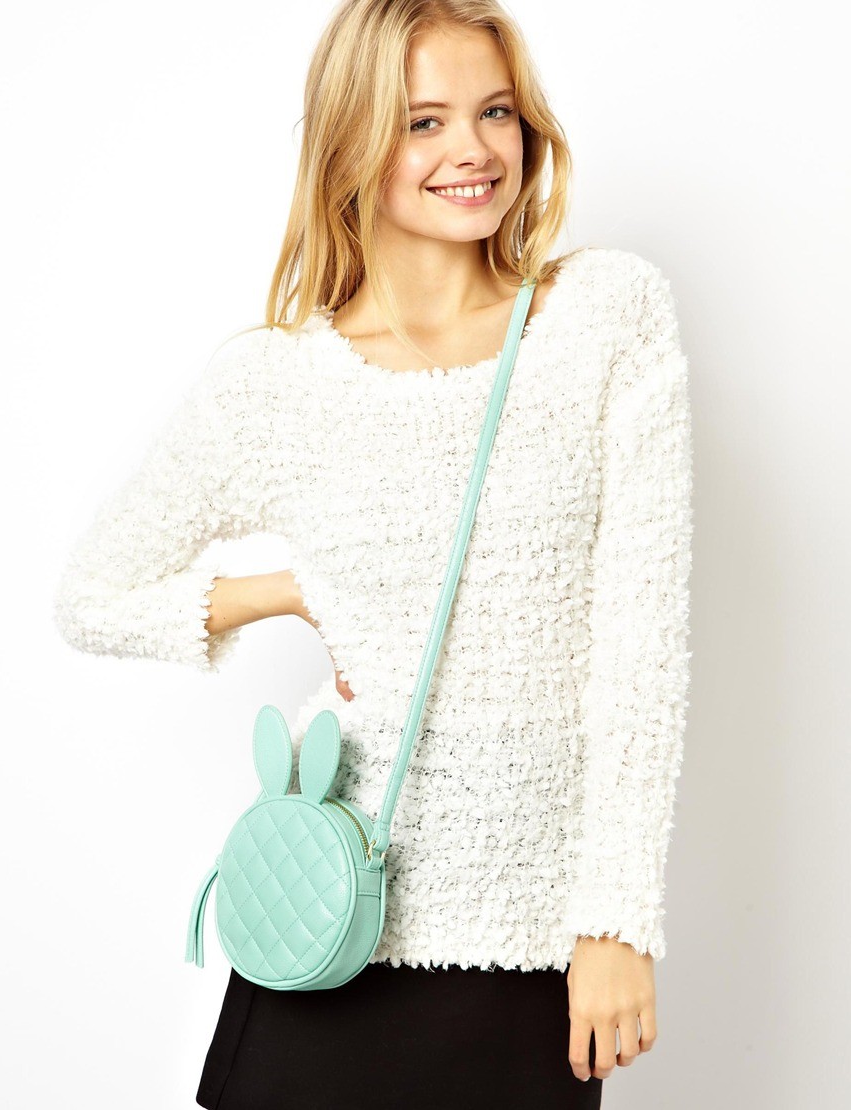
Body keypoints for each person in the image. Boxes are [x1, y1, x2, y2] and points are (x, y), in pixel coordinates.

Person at [52, 1, 694, 1107]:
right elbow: (89, 596)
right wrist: (291, 593)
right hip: (325, 926)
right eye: (423, 121)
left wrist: (617, 919)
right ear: (354, 142)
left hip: (531, 956)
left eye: (496, 112)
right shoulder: (276, 383)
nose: (472, 150)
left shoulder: (605, 317)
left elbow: (643, 650)